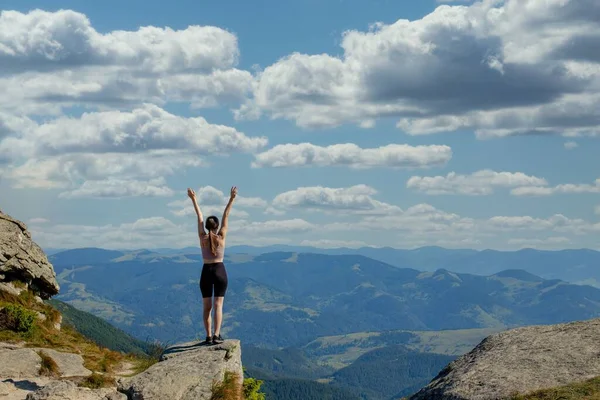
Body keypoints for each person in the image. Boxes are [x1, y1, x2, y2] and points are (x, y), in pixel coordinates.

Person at [187, 186, 237, 345]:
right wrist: (231, 198)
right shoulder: (221, 236)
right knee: (218, 305)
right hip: (220, 270)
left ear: (207, 226)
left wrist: (193, 199)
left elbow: (199, 216)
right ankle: (216, 335)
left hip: (206, 271)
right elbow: (226, 215)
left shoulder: (202, 237)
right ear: (216, 226)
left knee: (206, 306)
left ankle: (208, 336)